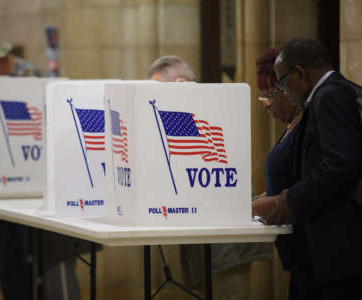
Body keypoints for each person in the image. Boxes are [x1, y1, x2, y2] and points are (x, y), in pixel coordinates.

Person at [0, 32, 84, 300]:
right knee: (12, 266)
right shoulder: (2, 84)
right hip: (4, 192)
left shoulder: (34, 81)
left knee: (45, 269)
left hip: (35, 197)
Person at [148, 55, 273, 300]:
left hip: (225, 243)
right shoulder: (189, 112)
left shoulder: (208, 113)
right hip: (204, 241)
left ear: (180, 83)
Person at [253, 37, 362, 299]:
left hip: (342, 251)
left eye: (281, 82)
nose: (282, 90)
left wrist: (287, 201)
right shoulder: (338, 91)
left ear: (299, 73)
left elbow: (340, 165)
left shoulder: (329, 95)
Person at [253, 48, 323, 300]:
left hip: (313, 249)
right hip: (296, 253)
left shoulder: (307, 126)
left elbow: (303, 187)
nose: (267, 103)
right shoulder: (290, 126)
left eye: (271, 93)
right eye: (263, 96)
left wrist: (250, 208)